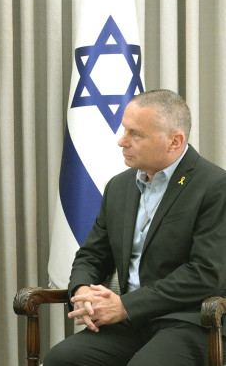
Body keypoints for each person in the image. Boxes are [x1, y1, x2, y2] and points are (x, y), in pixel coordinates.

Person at [44, 90, 226, 366]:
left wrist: (126, 305)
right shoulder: (119, 186)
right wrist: (81, 290)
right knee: (61, 359)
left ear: (174, 141)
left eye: (136, 134)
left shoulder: (214, 187)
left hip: (188, 320)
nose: (121, 141)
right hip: (130, 322)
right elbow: (92, 255)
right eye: (124, 130)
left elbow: (205, 273)